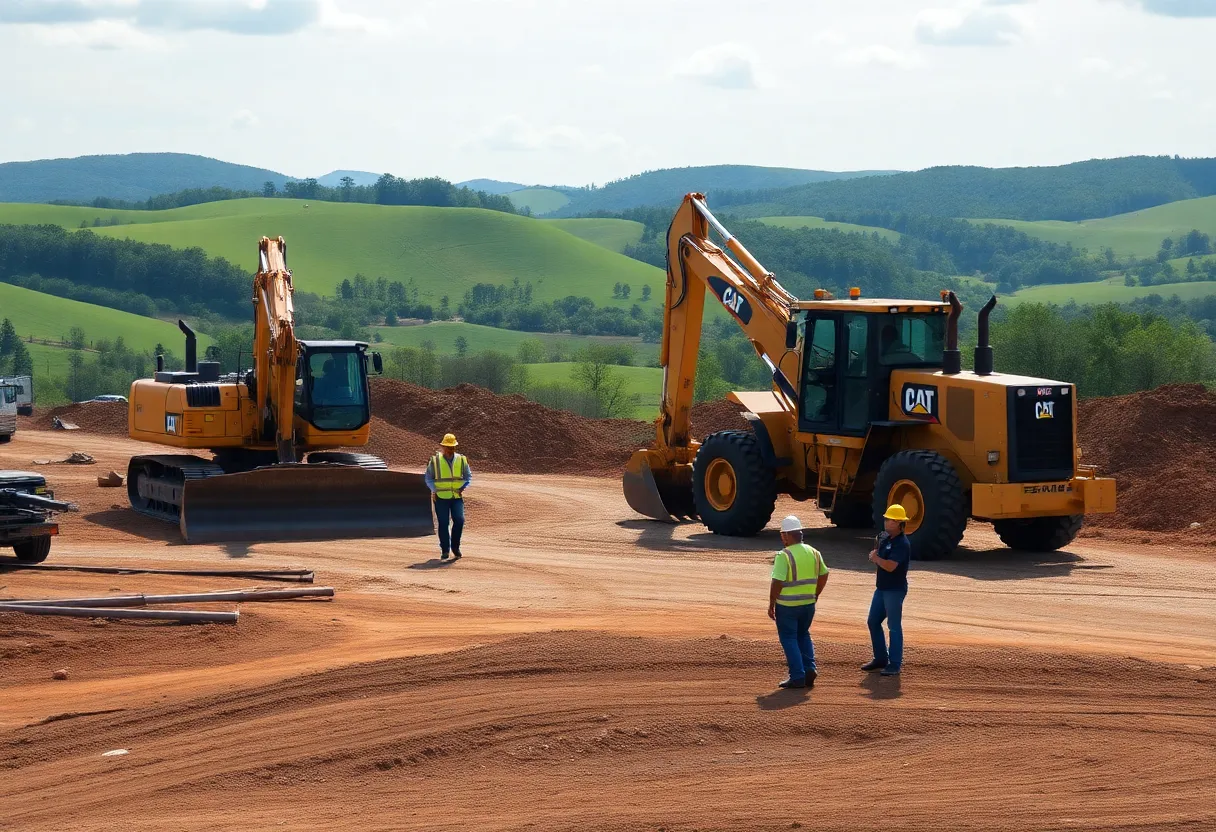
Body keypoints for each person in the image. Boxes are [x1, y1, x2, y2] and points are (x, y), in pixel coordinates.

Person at [768, 514, 830, 689]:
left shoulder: (784, 555)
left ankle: (797, 676)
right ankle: (809, 668)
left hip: (787, 606)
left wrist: (772, 603)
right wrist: (815, 593)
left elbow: (777, 582)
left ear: (787, 535)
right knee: (803, 635)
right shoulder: (814, 552)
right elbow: (824, 574)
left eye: (782, 535)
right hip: (808, 605)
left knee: (789, 638)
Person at [863, 504, 911, 676]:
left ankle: (895, 664)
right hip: (882, 588)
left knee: (894, 626)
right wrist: (877, 551)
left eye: (889, 519)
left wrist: (876, 558)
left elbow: (891, 566)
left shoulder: (902, 544)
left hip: (894, 590)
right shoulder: (887, 539)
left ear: (898, 523)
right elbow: (880, 556)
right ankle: (881, 658)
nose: (885, 521)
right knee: (873, 621)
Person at [424, 433, 471, 560]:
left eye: (452, 447)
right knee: (443, 523)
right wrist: (434, 490)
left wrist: (463, 487)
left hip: (456, 497)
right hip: (441, 498)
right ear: (443, 447)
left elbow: (468, 476)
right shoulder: (435, 461)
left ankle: (455, 547)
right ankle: (445, 550)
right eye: (448, 447)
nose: (450, 450)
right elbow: (428, 478)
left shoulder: (461, 460)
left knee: (459, 520)